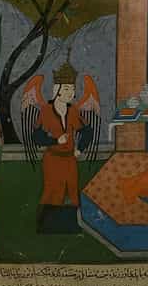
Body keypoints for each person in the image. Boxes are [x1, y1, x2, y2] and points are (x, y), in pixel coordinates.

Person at [22, 61, 98, 233]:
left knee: (71, 190)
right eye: (66, 89)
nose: (71, 93)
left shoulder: (73, 111)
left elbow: (87, 131)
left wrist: (79, 149)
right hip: (52, 159)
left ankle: (70, 226)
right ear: (57, 90)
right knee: (52, 190)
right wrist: (56, 141)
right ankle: (47, 226)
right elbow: (36, 136)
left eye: (72, 89)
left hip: (70, 159)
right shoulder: (46, 111)